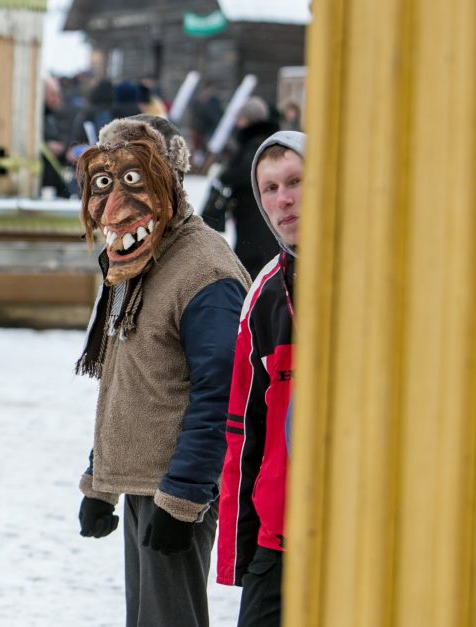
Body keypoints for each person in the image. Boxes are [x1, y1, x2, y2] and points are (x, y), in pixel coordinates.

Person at [74, 114, 250, 626]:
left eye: (135, 179)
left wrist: (184, 497)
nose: (114, 207)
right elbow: (127, 378)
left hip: (175, 488)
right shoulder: (138, 260)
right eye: (102, 183)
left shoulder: (204, 271)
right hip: (142, 481)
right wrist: (99, 482)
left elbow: (220, 393)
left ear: (168, 178)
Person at [217, 131, 305, 627]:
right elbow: (243, 434)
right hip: (279, 537)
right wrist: (238, 553)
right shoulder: (265, 295)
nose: (283, 199)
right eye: (269, 189)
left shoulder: (370, 277)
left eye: (295, 182)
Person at [202, 96, 281, 278]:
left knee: (254, 255)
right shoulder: (259, 140)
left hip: (254, 212)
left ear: (250, 119)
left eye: (241, 119)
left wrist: (224, 175)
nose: (237, 123)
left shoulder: (255, 142)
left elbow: (247, 173)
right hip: (252, 210)